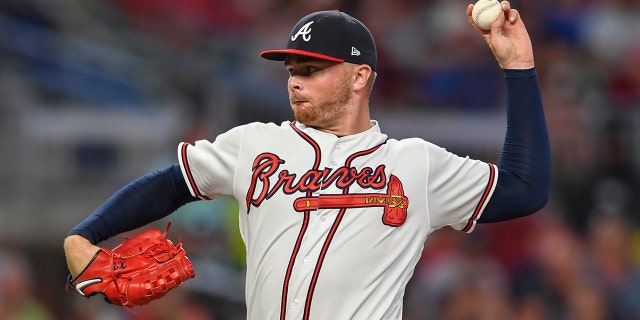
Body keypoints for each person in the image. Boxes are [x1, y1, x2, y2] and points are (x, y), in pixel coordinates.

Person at [64, 2, 550, 319]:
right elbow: (172, 183)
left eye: (312, 70)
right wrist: (85, 234)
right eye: (293, 69)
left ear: (360, 77)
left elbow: (526, 187)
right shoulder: (255, 145)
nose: (295, 80)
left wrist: (518, 67)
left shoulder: (415, 165)